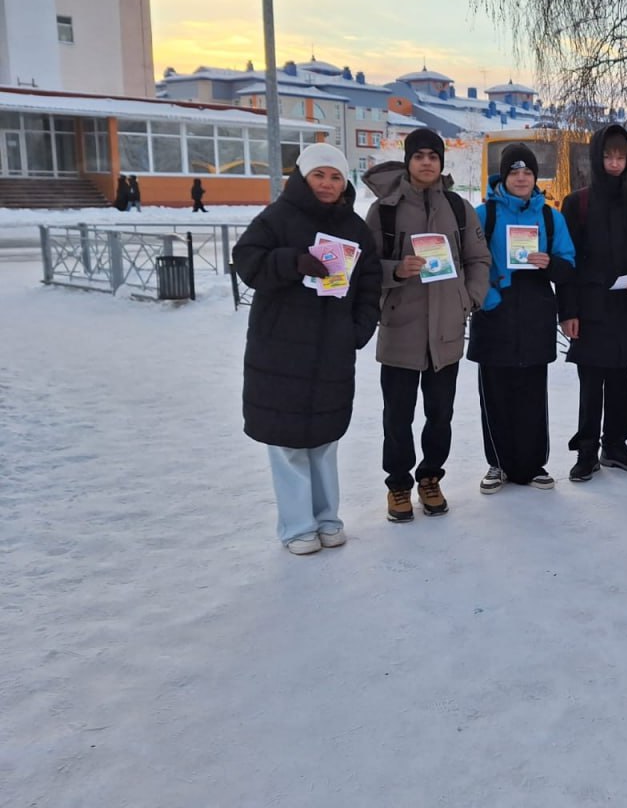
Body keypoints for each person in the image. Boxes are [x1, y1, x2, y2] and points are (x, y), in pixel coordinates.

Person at [232, 143, 381, 554]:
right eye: (319, 175)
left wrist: (358, 329)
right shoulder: (277, 218)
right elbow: (246, 261)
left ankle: (328, 519)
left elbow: (370, 284)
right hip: (279, 351)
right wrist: (292, 262)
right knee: (287, 445)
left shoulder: (354, 228)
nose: (328, 184)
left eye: (335, 177)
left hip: (331, 350)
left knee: (324, 441)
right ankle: (298, 527)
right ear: (303, 177)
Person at [364, 128, 490, 522]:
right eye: (418, 156)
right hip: (401, 328)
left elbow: (478, 259)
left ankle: (431, 477)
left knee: (441, 413)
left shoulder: (457, 207)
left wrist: (468, 300)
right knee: (397, 416)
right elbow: (365, 268)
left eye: (433, 156)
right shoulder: (383, 210)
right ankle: (398, 486)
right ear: (408, 161)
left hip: (446, 331)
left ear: (441, 162)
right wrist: (397, 271)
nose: (426, 162)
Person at [560, 124, 627, 481]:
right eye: (608, 155)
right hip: (589, 310)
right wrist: (568, 312)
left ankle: (617, 445)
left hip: (626, 306)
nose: (615, 163)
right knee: (591, 381)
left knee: (621, 377)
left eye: (621, 156)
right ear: (596, 157)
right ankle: (587, 450)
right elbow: (566, 261)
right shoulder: (578, 203)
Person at [468, 144, 576, 492]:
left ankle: (533, 464)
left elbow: (568, 264)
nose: (521, 178)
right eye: (514, 172)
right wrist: (488, 298)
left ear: (535, 177)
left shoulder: (549, 217)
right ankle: (497, 464)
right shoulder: (484, 215)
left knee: (532, 395)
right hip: (494, 313)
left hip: (534, 315)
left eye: (527, 172)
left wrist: (550, 263)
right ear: (503, 176)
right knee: (496, 394)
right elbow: (470, 261)